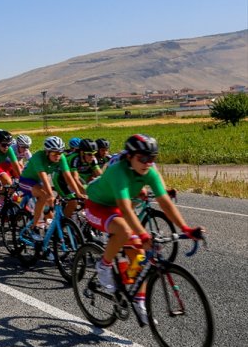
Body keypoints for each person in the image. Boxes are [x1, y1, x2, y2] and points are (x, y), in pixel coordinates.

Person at [84, 134, 203, 323]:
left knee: (139, 255)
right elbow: (124, 208)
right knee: (124, 230)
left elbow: (164, 202)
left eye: (152, 158)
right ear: (130, 156)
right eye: (143, 158)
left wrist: (186, 228)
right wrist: (143, 234)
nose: (148, 163)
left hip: (116, 207)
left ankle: (139, 302)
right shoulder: (119, 171)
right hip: (96, 205)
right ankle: (104, 266)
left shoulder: (150, 170)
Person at [18, 136, 86, 237]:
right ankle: (35, 226)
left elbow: (68, 177)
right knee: (44, 195)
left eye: (60, 152)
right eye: (54, 153)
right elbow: (44, 177)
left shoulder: (61, 158)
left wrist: (78, 193)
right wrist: (50, 195)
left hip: (38, 182)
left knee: (50, 210)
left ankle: (51, 230)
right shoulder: (38, 157)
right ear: (47, 152)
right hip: (26, 180)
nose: (57, 156)